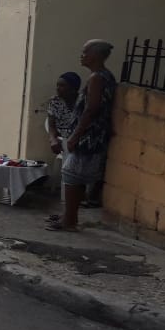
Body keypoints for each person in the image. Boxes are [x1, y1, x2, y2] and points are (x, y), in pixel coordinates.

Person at [46, 40, 117, 231]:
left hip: (89, 135)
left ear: (95, 55)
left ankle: (69, 221)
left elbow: (91, 109)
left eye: (85, 52)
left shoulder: (97, 78)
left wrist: (76, 135)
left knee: (71, 176)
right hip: (92, 133)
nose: (82, 55)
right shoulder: (104, 76)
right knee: (76, 177)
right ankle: (69, 216)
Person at [46, 71, 81, 155]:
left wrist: (73, 139)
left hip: (78, 141)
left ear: (73, 88)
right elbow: (51, 126)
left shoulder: (82, 102)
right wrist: (53, 139)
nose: (57, 88)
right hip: (62, 141)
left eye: (62, 85)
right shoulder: (54, 101)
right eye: (57, 85)